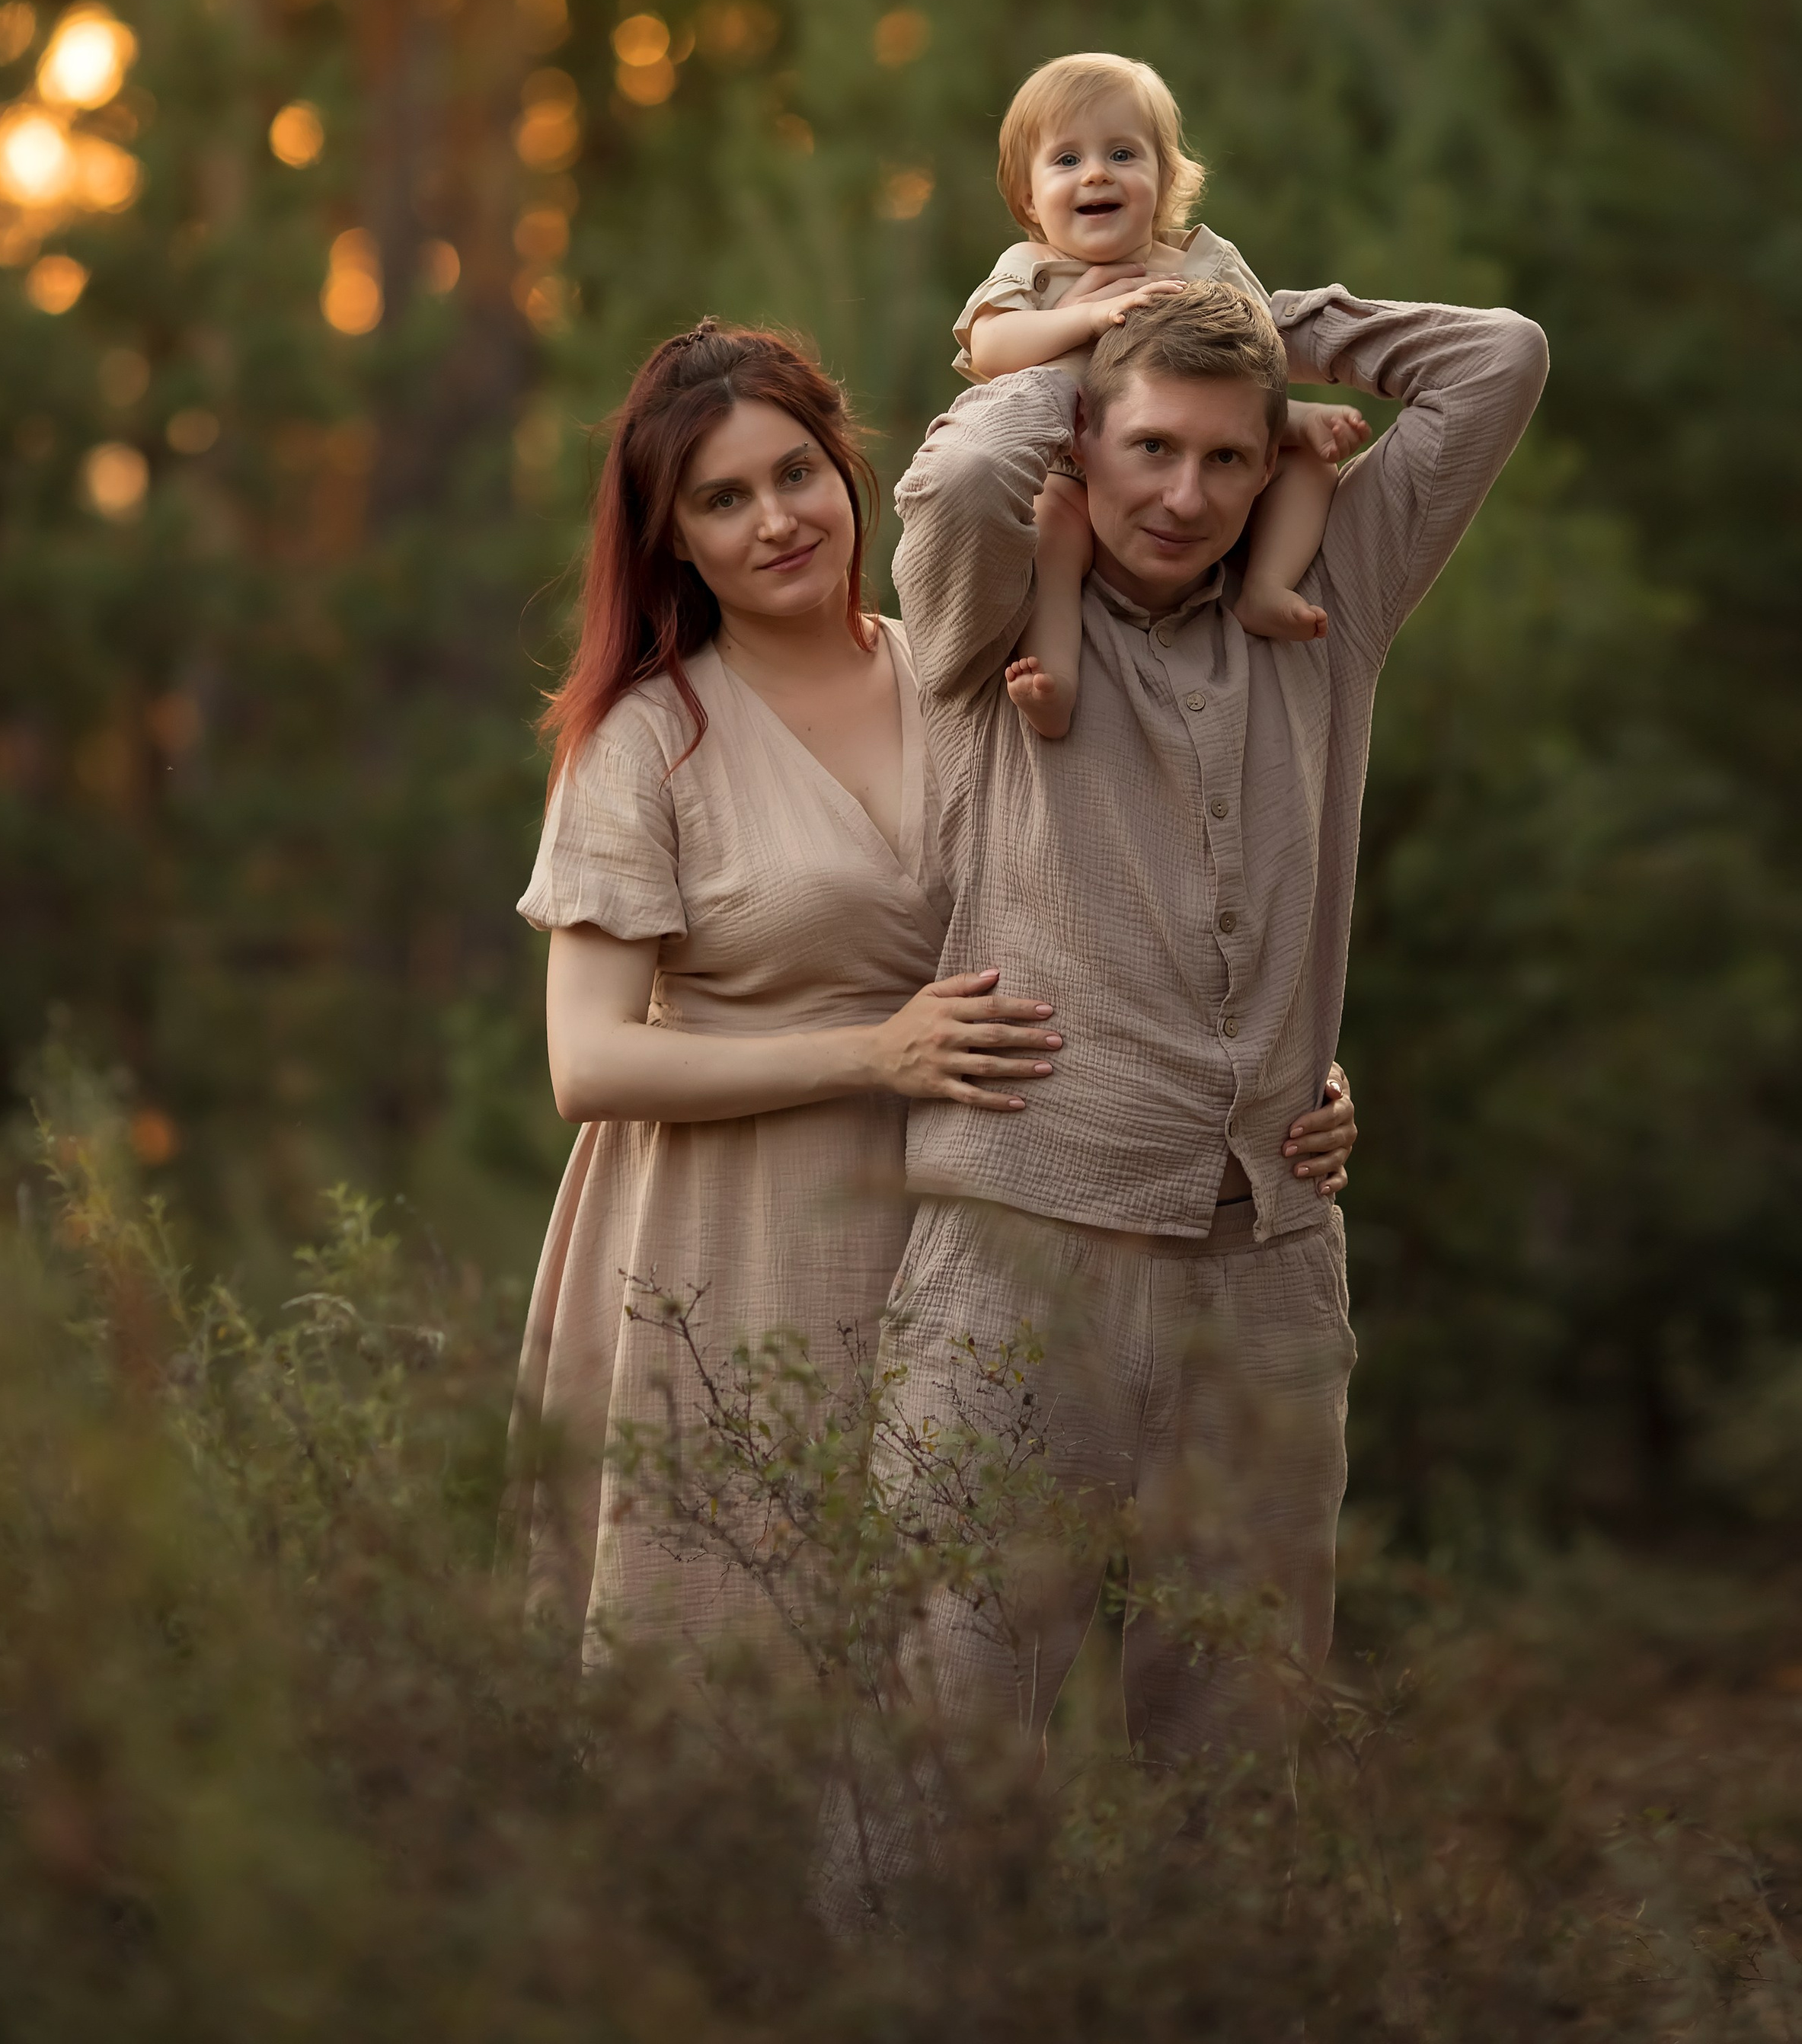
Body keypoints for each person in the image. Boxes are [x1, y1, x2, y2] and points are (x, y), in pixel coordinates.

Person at [509, 318, 1359, 1662]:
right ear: (672, 538)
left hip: (997, 1226)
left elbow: (1155, 900)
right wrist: (875, 1053)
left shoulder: (973, 664)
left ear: (848, 473)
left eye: (797, 473)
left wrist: (1280, 1075)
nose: (777, 521)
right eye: (723, 499)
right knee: (747, 1648)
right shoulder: (646, 738)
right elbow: (589, 1063)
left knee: (953, 1681)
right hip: (742, 1235)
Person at [885, 273, 1548, 1783]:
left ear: (1274, 463)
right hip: (1017, 1248)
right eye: (1149, 448)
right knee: (943, 1750)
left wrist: (1241, 309)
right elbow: (972, 472)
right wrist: (1087, 329)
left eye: (1226, 456)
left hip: (1267, 1258)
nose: (1184, 497)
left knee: (1240, 1760)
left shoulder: (1325, 601)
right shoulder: (994, 618)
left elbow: (1495, 357)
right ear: (1082, 440)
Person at [954, 53, 1368, 739]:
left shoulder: (1201, 263)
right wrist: (1086, 318)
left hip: (1195, 454)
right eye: (1066, 160)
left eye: (1122, 154)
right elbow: (992, 347)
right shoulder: (1035, 270)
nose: (1096, 174)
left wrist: (1292, 406)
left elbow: (1255, 365)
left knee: (1309, 463)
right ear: (1028, 200)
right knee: (1052, 533)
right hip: (1070, 473)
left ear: (1166, 179)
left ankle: (1268, 585)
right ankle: (1056, 679)